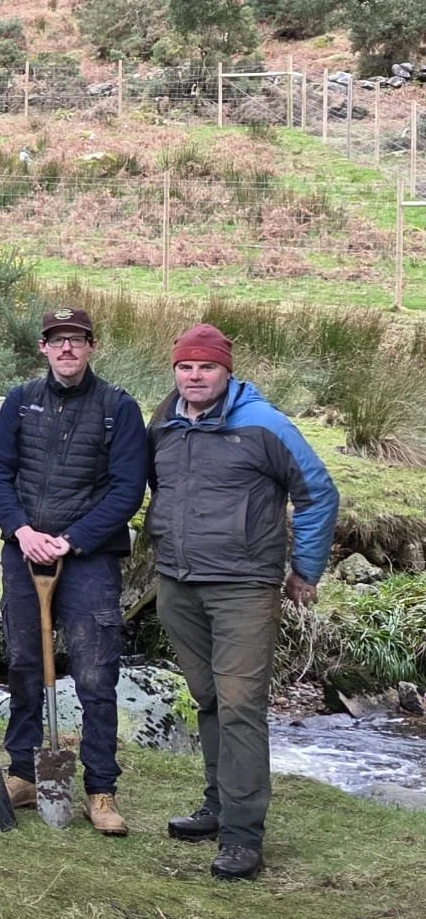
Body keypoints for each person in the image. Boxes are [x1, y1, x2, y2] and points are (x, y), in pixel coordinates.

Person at [147, 323, 337, 878]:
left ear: (226, 371)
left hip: (244, 588)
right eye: (185, 367)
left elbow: (318, 491)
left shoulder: (264, 424)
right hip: (177, 582)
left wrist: (304, 570)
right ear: (175, 371)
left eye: (206, 367)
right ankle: (217, 804)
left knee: (239, 706)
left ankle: (243, 834)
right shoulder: (164, 424)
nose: (195, 376)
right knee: (207, 698)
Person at [0, 306, 147, 833]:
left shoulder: (117, 408)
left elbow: (127, 489)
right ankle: (24, 773)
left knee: (96, 675)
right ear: (43, 348)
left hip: (90, 560)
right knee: (24, 665)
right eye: (58, 341)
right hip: (25, 553)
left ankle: (101, 790)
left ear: (92, 346)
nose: (67, 350)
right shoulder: (20, 402)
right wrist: (21, 531)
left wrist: (73, 541)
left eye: (77, 340)